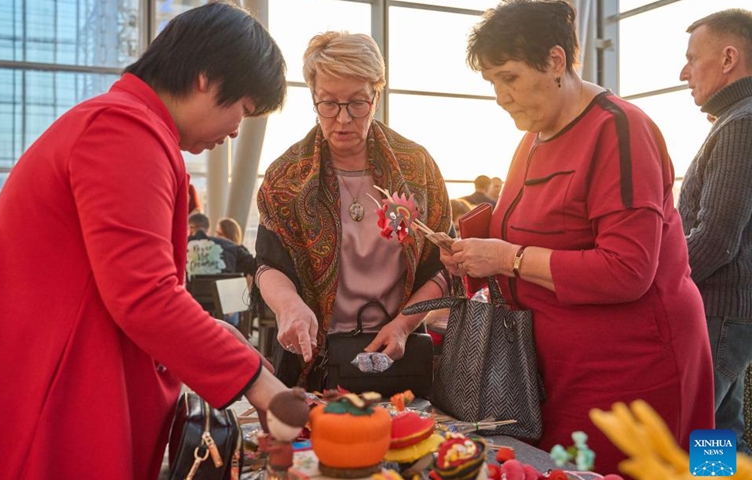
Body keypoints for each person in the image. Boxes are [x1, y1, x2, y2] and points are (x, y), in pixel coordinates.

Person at [0, 3, 289, 479]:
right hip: (54, 404)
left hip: (53, 388)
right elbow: (144, 295)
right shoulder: (124, 130)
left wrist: (215, 335)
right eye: (243, 109)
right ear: (206, 77)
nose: (236, 129)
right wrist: (260, 384)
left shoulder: (119, 123)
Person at [442, 0, 714, 474]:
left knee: (678, 466)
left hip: (635, 369)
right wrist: (473, 254)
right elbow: (522, 233)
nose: (501, 97)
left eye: (509, 77)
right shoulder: (532, 136)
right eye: (492, 83)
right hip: (556, 371)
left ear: (555, 61)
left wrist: (506, 258)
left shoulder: (620, 129)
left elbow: (627, 270)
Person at [255, 31, 453, 389]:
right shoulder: (287, 176)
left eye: (357, 103)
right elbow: (270, 263)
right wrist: (288, 306)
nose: (343, 119)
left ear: (376, 96)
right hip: (314, 359)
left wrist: (404, 325)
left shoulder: (416, 168)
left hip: (400, 355)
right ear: (313, 97)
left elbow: (442, 266)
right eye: (329, 104)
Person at [678, 8, 752, 455]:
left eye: (692, 59)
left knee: (697, 434)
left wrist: (658, 282)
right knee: (719, 433)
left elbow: (716, 239)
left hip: (717, 312)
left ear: (728, 58)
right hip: (727, 313)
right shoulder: (737, 120)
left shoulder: (741, 124)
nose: (683, 73)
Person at [187, 212, 255, 278]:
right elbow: (254, 267)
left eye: (219, 234)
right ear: (208, 229)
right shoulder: (233, 248)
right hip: (226, 285)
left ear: (190, 229)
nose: (216, 236)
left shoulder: (183, 247)